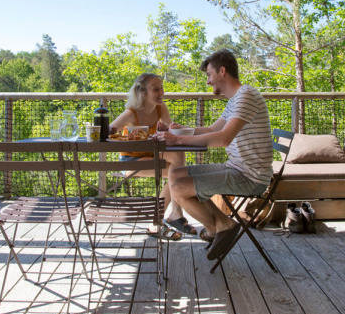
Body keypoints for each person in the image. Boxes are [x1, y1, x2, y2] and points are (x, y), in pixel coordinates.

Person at [154, 49, 273, 260]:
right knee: (176, 174)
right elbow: (211, 129)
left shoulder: (246, 96)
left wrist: (179, 140)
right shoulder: (236, 99)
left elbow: (223, 138)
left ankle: (216, 229)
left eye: (209, 75)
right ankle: (221, 225)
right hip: (236, 168)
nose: (208, 82)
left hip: (250, 177)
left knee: (179, 188)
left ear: (222, 71)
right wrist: (176, 131)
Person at [109, 73, 195, 241]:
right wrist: (120, 134)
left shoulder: (161, 109)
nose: (161, 92)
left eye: (162, 88)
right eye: (156, 89)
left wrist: (165, 130)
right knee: (178, 173)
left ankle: (165, 217)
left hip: (151, 155)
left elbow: (171, 131)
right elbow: (109, 130)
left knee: (178, 165)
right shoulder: (130, 113)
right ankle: (171, 216)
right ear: (143, 93)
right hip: (131, 162)